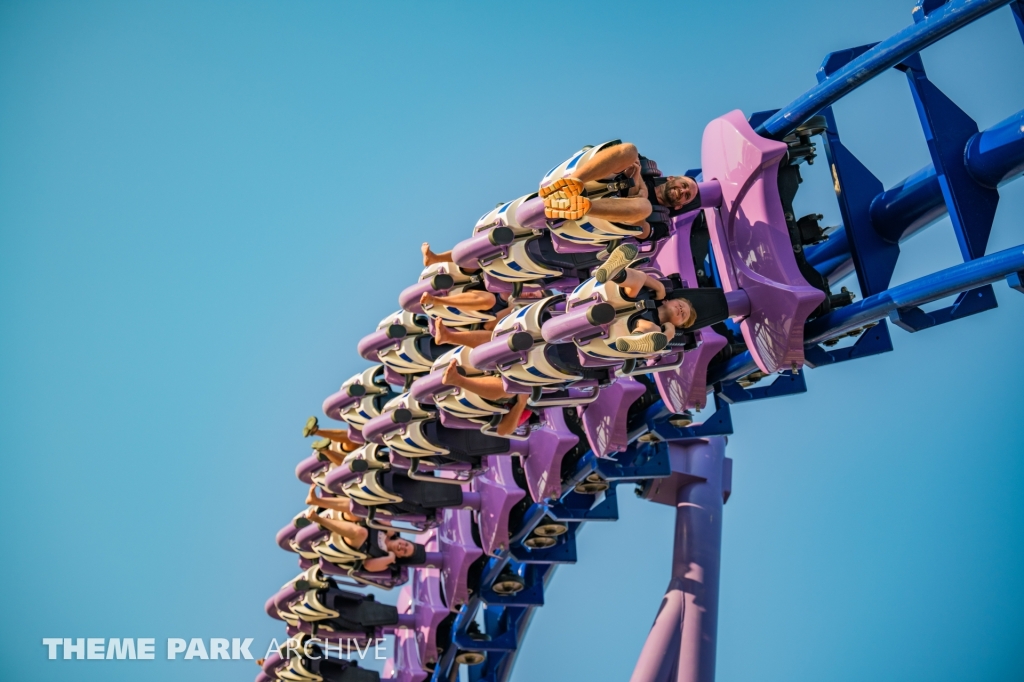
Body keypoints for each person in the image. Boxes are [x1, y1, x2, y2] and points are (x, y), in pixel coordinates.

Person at [540, 142, 700, 239]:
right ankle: (570, 183)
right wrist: (638, 179)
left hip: (603, 217)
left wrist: (638, 195)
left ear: (679, 206)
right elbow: (622, 154)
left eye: (686, 195)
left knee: (644, 207)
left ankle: (578, 206)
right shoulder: (647, 169)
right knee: (630, 150)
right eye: (684, 185)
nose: (682, 191)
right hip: (598, 183)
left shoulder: (663, 225)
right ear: (671, 178)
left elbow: (641, 231)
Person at [302, 505, 424, 572]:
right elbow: (371, 515)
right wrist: (387, 526)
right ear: (403, 540)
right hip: (351, 523)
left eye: (404, 551)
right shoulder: (388, 530)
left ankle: (318, 519)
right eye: (406, 544)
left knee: (361, 532)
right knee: (356, 510)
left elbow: (368, 565)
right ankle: (317, 501)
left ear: (400, 556)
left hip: (351, 545)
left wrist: (390, 558)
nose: (402, 547)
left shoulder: (386, 559)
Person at [440, 358, 530, 437]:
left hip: (483, 402)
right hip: (493, 368)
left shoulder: (527, 409)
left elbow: (502, 431)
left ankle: (457, 380)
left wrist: (521, 403)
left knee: (509, 390)